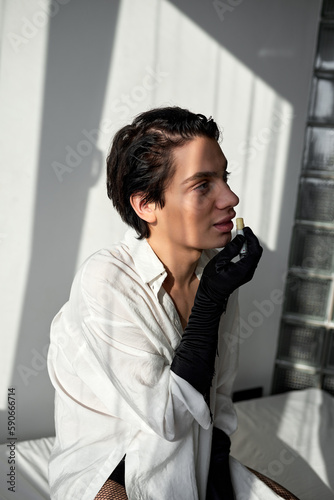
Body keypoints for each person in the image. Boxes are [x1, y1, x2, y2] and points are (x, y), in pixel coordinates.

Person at [47, 107, 295, 500]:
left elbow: (218, 398)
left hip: (196, 457)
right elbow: (169, 418)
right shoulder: (107, 280)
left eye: (224, 178)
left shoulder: (215, 271)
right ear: (147, 204)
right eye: (203, 185)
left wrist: (220, 480)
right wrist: (211, 299)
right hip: (115, 468)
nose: (230, 198)